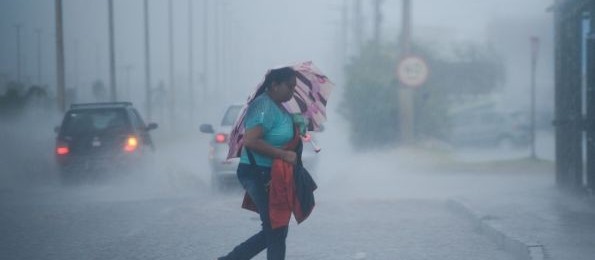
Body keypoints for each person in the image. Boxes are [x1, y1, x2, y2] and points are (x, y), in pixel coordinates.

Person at [219, 67, 298, 260]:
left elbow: (278, 135)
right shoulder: (262, 106)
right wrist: (282, 154)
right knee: (275, 227)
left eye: (294, 87)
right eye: (289, 87)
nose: (292, 92)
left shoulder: (280, 107)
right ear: (274, 85)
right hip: (257, 173)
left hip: (273, 174)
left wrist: (298, 126)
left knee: (276, 228)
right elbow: (251, 141)